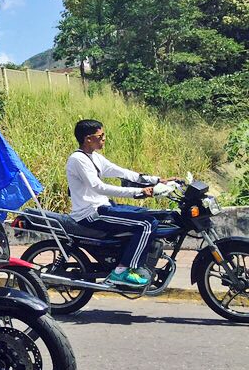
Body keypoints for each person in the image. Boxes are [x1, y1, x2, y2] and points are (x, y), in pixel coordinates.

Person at [66, 119, 174, 287]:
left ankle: (134, 260)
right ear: (88, 139)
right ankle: (122, 271)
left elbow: (123, 173)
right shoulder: (77, 160)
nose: (104, 138)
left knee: (151, 216)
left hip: (104, 207)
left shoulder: (95, 158)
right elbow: (99, 187)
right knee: (146, 224)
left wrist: (158, 180)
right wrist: (138, 192)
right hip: (90, 214)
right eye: (100, 135)